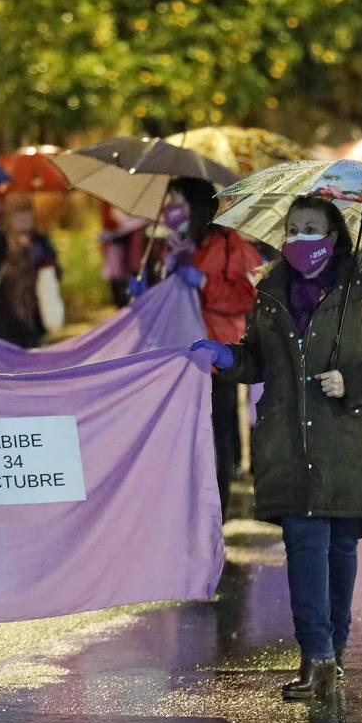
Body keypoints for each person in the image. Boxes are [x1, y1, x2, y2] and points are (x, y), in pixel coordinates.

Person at [192, 195, 362, 700]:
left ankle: (334, 656)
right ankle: (315, 658)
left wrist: (353, 380)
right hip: (290, 443)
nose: (297, 238)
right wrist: (226, 356)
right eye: (291, 229)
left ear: (333, 237)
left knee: (338, 548)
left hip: (351, 443)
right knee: (303, 546)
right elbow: (260, 361)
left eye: (309, 229)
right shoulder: (270, 292)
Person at [134, 177, 260, 514]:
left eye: (177, 200)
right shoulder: (172, 246)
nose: (170, 207)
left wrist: (204, 282)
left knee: (216, 433)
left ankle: (216, 513)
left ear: (198, 205)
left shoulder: (230, 246)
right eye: (169, 200)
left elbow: (247, 297)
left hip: (217, 352)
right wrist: (144, 295)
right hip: (178, 353)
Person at [0, 196, 63, 349]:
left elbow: (54, 267)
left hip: (34, 305)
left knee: (33, 344)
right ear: (10, 218)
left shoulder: (40, 240)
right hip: (6, 307)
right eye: (19, 219)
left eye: (27, 218)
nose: (24, 223)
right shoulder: (0, 241)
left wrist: (44, 264)